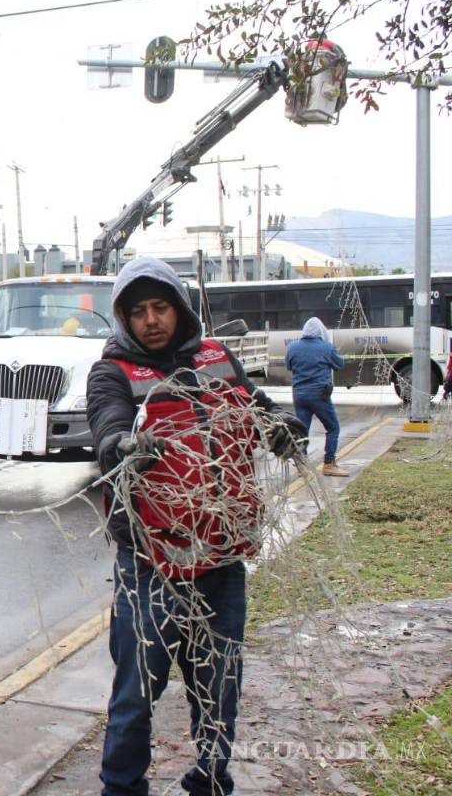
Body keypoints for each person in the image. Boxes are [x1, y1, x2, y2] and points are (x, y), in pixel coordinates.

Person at [86, 256, 305, 796]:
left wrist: (285, 426)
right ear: (124, 319)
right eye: (137, 312)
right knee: (137, 691)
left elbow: (260, 409)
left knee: (220, 687)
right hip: (150, 566)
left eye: (160, 306)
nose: (150, 319)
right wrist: (123, 447)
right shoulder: (110, 372)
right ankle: (122, 787)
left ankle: (210, 779)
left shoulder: (217, 358)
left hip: (221, 562)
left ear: (180, 309)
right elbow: (107, 428)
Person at [285, 317, 348, 476]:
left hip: (299, 395)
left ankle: (302, 465)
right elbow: (340, 364)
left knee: (302, 430)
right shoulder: (326, 347)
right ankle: (329, 464)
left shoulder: (292, 347)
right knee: (333, 427)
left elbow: (289, 366)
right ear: (321, 332)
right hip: (320, 395)